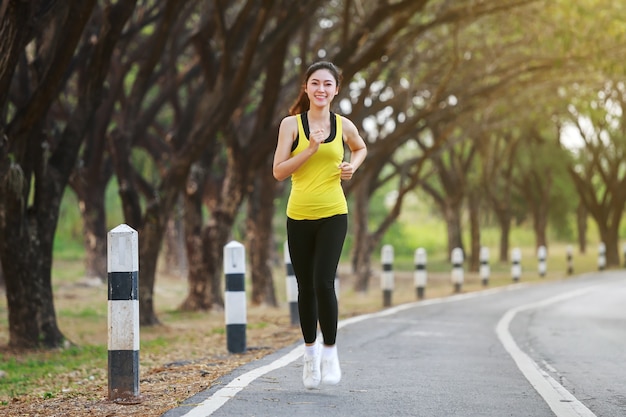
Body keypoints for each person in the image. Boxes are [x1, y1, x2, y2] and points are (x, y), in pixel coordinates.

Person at [272, 61, 367, 389]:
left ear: (336, 89)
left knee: (324, 282)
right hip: (298, 215)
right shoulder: (291, 125)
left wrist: (351, 166)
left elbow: (361, 147)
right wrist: (310, 149)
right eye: (315, 83)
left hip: (333, 213)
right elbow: (279, 171)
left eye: (328, 84)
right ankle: (309, 355)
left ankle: (330, 353)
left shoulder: (343, 125)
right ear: (307, 87)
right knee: (305, 287)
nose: (321, 89)